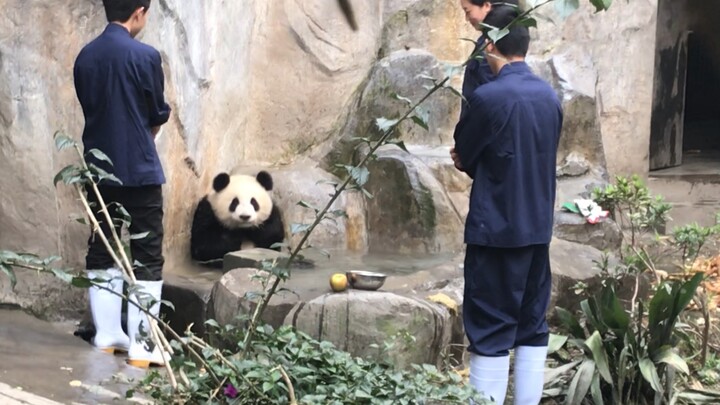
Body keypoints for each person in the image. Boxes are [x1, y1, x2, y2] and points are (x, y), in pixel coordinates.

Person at [451, 5, 563, 405]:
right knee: (532, 326)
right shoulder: (549, 97)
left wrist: (469, 155)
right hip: (537, 232)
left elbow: (464, 153)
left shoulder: (488, 97)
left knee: (490, 330)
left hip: (496, 232)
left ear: (490, 45)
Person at [73, 0, 171, 368]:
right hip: (140, 170)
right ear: (140, 12)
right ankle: (144, 347)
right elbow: (155, 114)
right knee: (146, 253)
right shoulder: (145, 55)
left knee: (103, 246)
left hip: (99, 170)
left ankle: (108, 334)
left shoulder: (85, 56)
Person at [457, 0, 519, 121]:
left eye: (468, 11)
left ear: (486, 6)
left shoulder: (492, 48)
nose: (466, 18)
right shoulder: (487, 41)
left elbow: (494, 101)